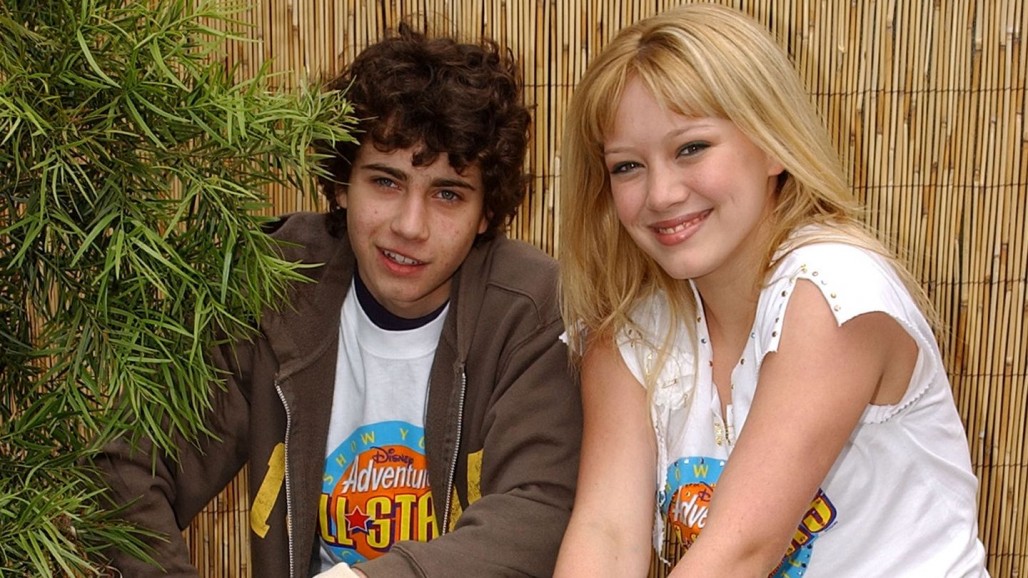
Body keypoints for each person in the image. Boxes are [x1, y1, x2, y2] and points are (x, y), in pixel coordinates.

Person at [96, 24, 582, 578]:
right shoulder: (276, 281)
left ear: (487, 212)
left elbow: (540, 512)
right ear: (342, 184)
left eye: (447, 194)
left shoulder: (532, 311)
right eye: (386, 182)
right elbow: (127, 467)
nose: (410, 226)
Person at [553, 4, 988, 577]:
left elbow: (740, 553)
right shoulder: (629, 325)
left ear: (773, 144)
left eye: (691, 148)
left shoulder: (834, 290)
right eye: (627, 166)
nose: (661, 194)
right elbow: (606, 534)